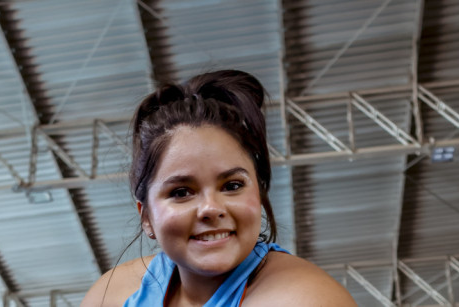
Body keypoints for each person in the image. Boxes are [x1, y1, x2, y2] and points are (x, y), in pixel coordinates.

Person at [82, 70, 356, 306]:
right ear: (147, 217)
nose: (211, 208)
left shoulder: (306, 298)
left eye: (232, 185)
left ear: (259, 195)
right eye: (181, 192)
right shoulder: (111, 296)